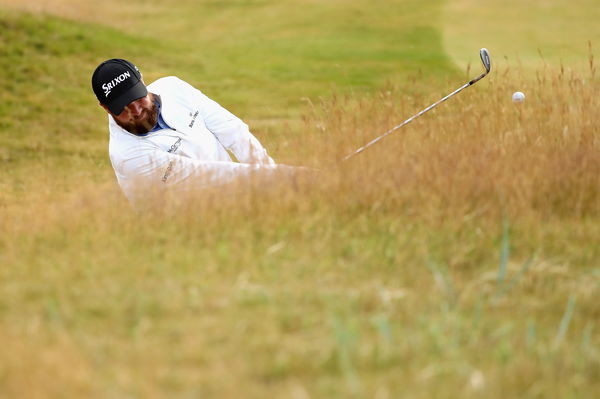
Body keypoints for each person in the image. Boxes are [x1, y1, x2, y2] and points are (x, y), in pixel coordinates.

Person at [91, 58, 287, 204]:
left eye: (137, 98)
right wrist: (283, 178)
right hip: (185, 226)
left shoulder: (173, 87)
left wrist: (268, 172)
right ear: (105, 108)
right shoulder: (127, 155)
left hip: (235, 201)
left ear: (142, 82)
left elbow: (231, 129)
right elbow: (207, 176)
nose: (136, 111)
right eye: (123, 107)